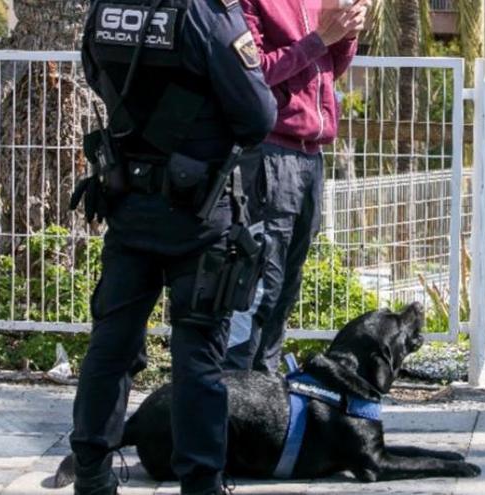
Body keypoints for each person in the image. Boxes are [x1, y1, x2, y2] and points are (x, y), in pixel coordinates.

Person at [69, 0, 277, 493]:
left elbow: (97, 75)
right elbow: (257, 115)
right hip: (198, 217)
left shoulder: (106, 7)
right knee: (198, 358)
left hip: (129, 206)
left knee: (111, 347)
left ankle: (92, 475)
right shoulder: (206, 11)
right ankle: (201, 484)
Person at [223, 0, 368, 372]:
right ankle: (235, 387)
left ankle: (265, 382)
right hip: (270, 153)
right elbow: (253, 73)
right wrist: (321, 39)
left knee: (287, 282)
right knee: (259, 282)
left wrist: (345, 37)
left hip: (309, 157)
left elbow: (327, 72)